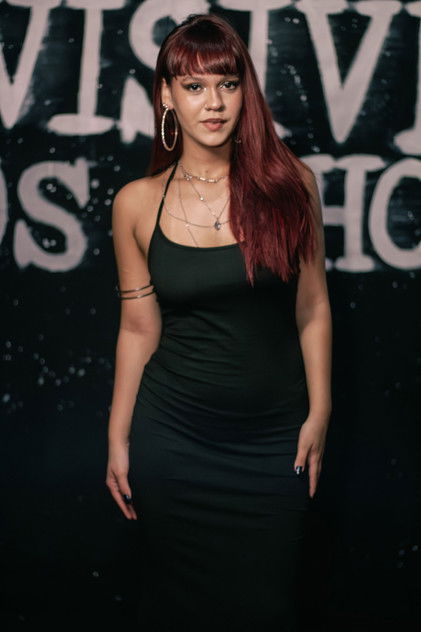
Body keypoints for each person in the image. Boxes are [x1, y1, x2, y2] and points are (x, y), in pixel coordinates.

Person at [106, 12, 332, 632]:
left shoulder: (293, 186)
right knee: (176, 609)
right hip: (173, 439)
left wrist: (319, 412)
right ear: (167, 96)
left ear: (244, 91)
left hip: (271, 440)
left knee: (265, 608)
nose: (214, 102)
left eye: (228, 84)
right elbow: (138, 329)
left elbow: (313, 305)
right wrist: (118, 437)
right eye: (195, 86)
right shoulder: (135, 203)